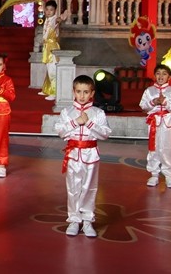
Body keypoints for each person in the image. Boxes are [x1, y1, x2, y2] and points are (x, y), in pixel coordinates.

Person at [55, 75, 111, 238]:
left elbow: (105, 133)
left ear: (92, 93)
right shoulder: (67, 112)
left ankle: (87, 220)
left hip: (91, 155)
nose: (82, 95)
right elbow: (60, 131)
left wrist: (89, 123)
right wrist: (76, 122)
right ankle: (74, 220)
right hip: (73, 154)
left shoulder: (98, 113)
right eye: (79, 91)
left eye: (86, 92)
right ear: (73, 92)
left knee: (89, 187)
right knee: (73, 188)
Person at [139, 63, 171, 188]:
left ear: (169, 77)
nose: (161, 76)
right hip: (154, 121)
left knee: (167, 148)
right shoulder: (149, 91)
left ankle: (169, 175)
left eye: (164, 74)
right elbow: (143, 106)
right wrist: (153, 102)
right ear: (154, 76)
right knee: (154, 147)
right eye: (158, 73)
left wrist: (165, 102)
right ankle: (154, 174)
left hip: (167, 122)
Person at [39, 0, 69, 101]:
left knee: (52, 70)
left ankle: (54, 93)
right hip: (47, 46)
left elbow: (60, 19)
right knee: (49, 69)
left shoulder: (54, 19)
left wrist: (62, 18)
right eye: (47, 9)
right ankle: (47, 89)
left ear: (55, 10)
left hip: (52, 47)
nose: (48, 12)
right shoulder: (47, 19)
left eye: (51, 10)